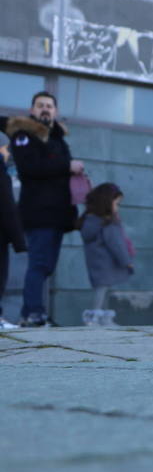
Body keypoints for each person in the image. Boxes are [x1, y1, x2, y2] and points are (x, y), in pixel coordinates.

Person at [2, 92, 84, 327]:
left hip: (58, 214)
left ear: (56, 112)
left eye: (49, 106)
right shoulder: (23, 135)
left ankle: (34, 312)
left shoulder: (58, 138)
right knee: (38, 264)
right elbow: (30, 167)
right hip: (38, 212)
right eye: (40, 106)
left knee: (45, 266)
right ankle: (32, 313)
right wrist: (67, 166)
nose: (45, 109)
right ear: (32, 110)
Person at [79, 182, 134, 327]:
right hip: (107, 263)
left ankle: (101, 316)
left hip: (95, 262)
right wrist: (126, 261)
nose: (117, 208)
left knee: (101, 288)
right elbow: (116, 244)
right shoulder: (107, 223)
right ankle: (96, 317)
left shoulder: (89, 221)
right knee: (103, 290)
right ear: (107, 203)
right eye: (117, 204)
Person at [0, 136, 26, 329]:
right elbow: (8, 208)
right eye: (6, 149)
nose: (8, 153)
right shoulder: (2, 174)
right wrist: (19, 241)